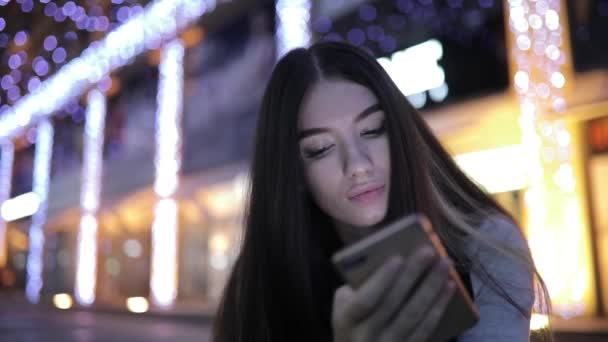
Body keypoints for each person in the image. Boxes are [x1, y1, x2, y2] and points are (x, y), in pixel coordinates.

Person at [212, 41, 551, 342]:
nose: (357, 164)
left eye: (373, 130)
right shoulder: (261, 277)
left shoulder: (487, 245)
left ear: (400, 132)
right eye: (320, 149)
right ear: (294, 172)